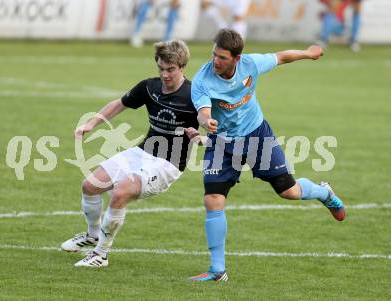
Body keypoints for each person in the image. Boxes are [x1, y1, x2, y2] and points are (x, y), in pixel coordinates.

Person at [189, 29, 346, 282]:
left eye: (222, 58)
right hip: (222, 143)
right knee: (213, 199)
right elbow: (203, 111)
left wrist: (308, 53)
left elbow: (281, 57)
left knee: (289, 191)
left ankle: (325, 193)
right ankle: (217, 270)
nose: (215, 61)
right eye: (214, 55)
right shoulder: (202, 79)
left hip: (256, 136)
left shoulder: (251, 63)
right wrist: (206, 121)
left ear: (236, 59)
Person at [61, 40, 200, 268]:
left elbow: (211, 123)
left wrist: (201, 136)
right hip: (142, 152)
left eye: (170, 69)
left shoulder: (194, 95)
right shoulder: (149, 87)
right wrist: (92, 123)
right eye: (161, 68)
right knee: (90, 185)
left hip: (168, 164)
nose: (165, 74)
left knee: (120, 192)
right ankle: (92, 235)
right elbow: (119, 104)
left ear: (182, 66)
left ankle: (101, 254)